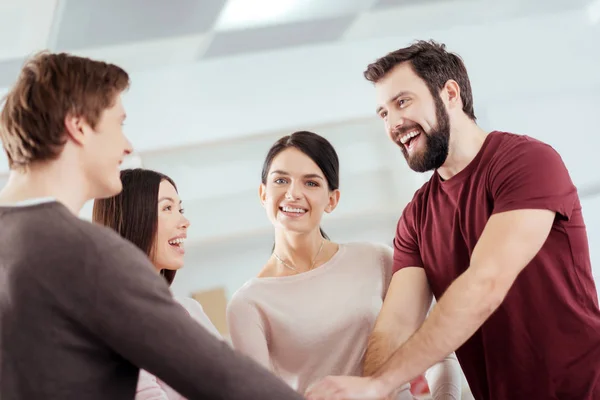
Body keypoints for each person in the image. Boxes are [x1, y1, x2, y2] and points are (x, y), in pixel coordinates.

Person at [305, 40, 600, 400]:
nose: (394, 124)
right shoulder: (417, 216)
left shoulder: (526, 162)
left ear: (449, 93)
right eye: (383, 113)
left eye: (402, 102)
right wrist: (372, 389)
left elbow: (485, 283)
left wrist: (380, 384)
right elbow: (396, 324)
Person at [0, 51, 303, 400]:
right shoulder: (86, 253)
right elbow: (223, 379)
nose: (127, 146)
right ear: (79, 125)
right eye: (119, 124)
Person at [226, 130, 463, 399]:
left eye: (311, 183)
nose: (292, 194)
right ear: (263, 194)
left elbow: (441, 354)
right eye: (281, 180)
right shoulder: (248, 304)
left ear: (332, 200)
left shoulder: (377, 260)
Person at [93, 168, 222, 400]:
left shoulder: (190, 309)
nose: (184, 221)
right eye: (167, 208)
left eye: (179, 209)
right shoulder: (117, 317)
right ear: (135, 218)